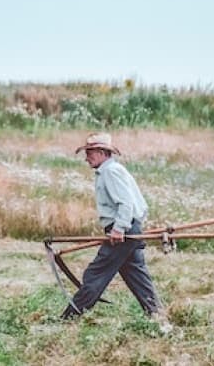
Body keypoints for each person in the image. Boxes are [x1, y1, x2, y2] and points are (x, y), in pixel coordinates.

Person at [61, 132, 161, 319]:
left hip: (121, 230)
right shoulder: (112, 170)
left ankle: (70, 317)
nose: (86, 157)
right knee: (137, 276)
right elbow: (139, 205)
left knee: (95, 274)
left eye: (90, 152)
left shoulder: (110, 172)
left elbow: (126, 203)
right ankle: (158, 315)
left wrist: (119, 229)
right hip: (128, 229)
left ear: (102, 152)